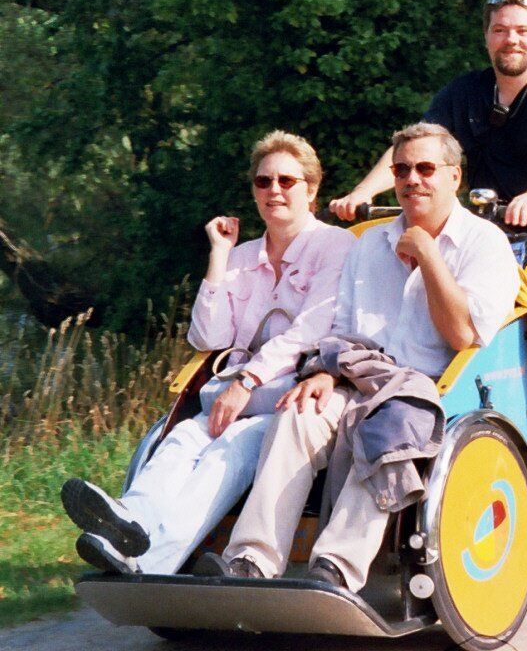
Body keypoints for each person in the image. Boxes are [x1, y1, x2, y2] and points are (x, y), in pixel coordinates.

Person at [200, 124, 520, 591]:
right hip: (358, 378)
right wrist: (327, 372)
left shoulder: (484, 243)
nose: (413, 179)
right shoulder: (370, 244)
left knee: (389, 425)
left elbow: (463, 334)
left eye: (426, 168)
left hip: (433, 387)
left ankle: (336, 567)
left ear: (454, 177)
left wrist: (429, 256)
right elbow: (344, 330)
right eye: (403, 169)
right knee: (298, 412)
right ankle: (252, 560)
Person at [60, 133, 355, 576]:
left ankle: (154, 563)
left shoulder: (335, 246)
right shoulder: (242, 255)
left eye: (287, 181)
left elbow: (308, 329)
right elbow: (205, 337)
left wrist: (247, 381)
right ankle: (126, 525)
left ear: (311, 190)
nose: (274, 190)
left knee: (227, 453)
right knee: (180, 442)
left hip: (287, 399)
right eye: (263, 181)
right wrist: (219, 257)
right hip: (230, 394)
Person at [330, 0, 527, 324]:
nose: (511, 39)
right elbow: (414, 146)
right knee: (444, 318)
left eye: (522, 30)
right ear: (487, 38)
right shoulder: (466, 92)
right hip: (487, 237)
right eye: (500, 30)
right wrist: (363, 193)